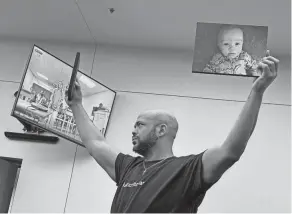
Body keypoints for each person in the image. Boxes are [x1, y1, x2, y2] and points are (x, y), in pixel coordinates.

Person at [65, 50, 279, 213]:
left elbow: (230, 151)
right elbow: (95, 144)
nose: (133, 130)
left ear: (161, 130)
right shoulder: (128, 167)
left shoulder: (187, 170)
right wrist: (76, 104)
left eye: (140, 125)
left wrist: (257, 91)